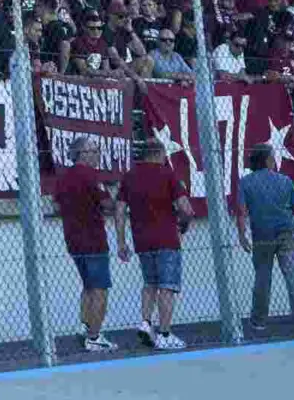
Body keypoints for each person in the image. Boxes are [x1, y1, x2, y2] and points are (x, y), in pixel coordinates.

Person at [52, 136, 129, 352]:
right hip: (93, 239)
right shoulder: (91, 176)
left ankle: (86, 327)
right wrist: (113, 204)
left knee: (88, 286)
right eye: (94, 151)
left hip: (73, 239)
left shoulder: (63, 178)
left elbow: (57, 205)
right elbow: (106, 203)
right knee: (100, 289)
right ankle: (94, 336)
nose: (98, 155)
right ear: (82, 154)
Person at [119, 136, 192, 350]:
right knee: (167, 286)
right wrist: (184, 224)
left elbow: (120, 210)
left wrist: (122, 241)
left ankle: (145, 322)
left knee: (149, 283)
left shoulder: (130, 177)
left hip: (141, 239)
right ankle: (165, 333)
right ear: (160, 153)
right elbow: (185, 208)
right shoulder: (167, 175)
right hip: (166, 237)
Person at [236, 144, 294, 333]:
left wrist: (242, 235)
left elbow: (241, 212)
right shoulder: (285, 181)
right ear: (268, 160)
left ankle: (259, 320)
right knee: (292, 275)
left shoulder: (246, 182)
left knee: (263, 278)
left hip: (262, 235)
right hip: (286, 231)